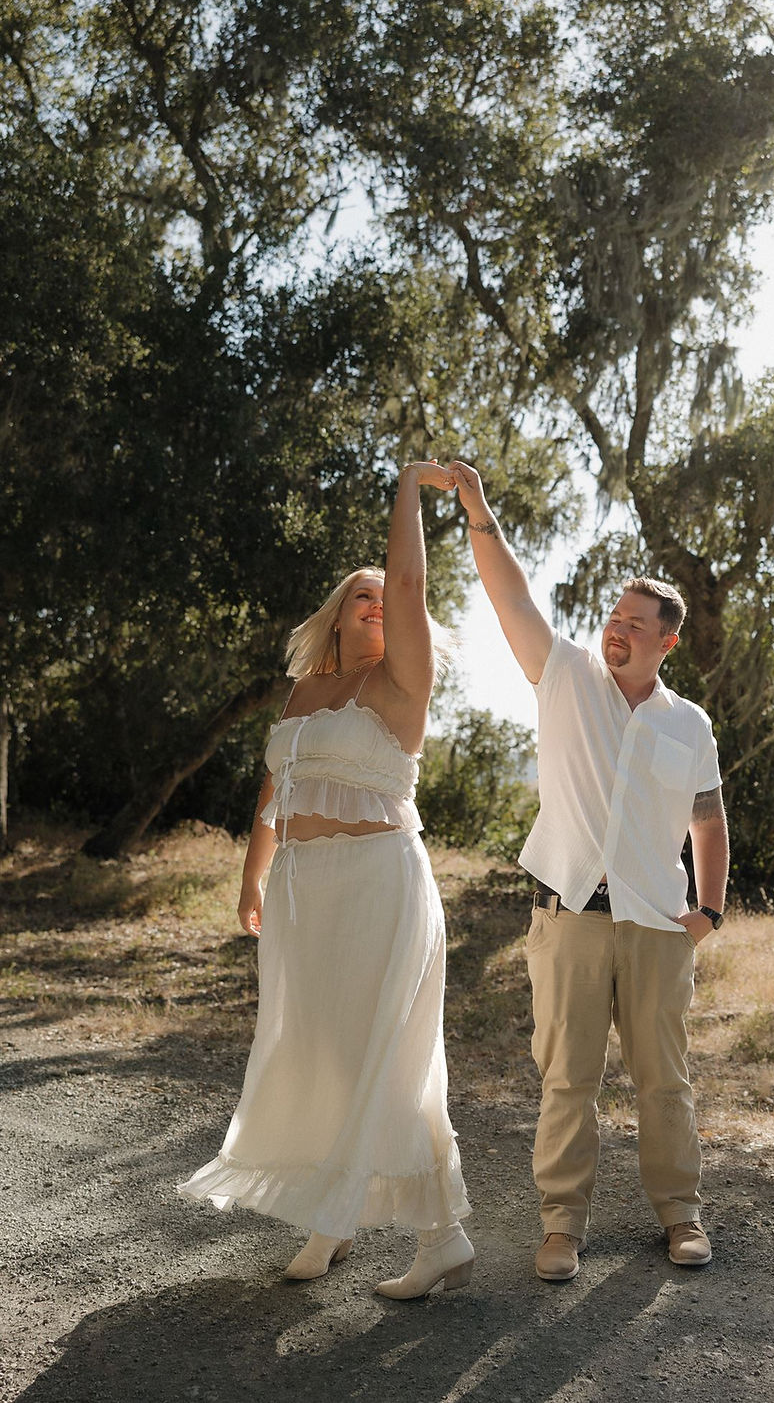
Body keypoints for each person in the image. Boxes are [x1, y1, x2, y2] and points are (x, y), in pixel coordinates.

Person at [179, 461, 474, 1300]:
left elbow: (412, 583)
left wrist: (411, 488)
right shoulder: (304, 690)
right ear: (337, 613)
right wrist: (253, 881)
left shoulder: (400, 683)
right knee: (318, 1052)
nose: (379, 606)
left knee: (387, 1056)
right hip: (304, 892)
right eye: (362, 597)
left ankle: (440, 1234)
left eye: (388, 600)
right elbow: (275, 793)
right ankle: (333, 1218)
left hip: (381, 879)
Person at [450, 459, 729, 1279]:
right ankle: (561, 1229)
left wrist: (709, 911)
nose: (619, 629)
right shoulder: (565, 674)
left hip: (656, 926)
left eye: (638, 623)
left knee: (664, 1085)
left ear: (667, 641)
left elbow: (708, 820)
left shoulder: (691, 725)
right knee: (566, 1081)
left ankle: (681, 1217)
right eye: (616, 615)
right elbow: (510, 597)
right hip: (568, 915)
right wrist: (479, 511)